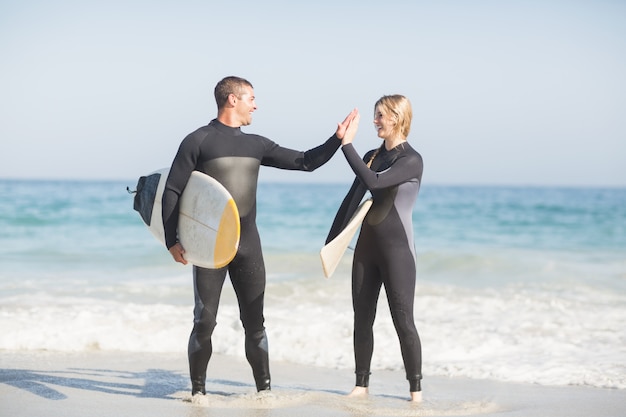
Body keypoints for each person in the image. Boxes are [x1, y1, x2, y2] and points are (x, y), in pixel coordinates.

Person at [162, 76, 357, 397]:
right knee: (204, 322)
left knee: (255, 325)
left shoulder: (257, 144)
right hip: (211, 246)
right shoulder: (198, 141)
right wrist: (172, 240)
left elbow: (306, 162)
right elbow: (172, 190)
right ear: (232, 100)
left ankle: (264, 394)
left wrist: (337, 139)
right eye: (251, 98)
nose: (256, 104)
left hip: (249, 246)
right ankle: (198, 394)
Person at [325, 95, 424, 402]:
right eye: (375, 115)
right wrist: (330, 243)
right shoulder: (371, 155)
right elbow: (353, 198)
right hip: (366, 249)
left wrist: (346, 146)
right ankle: (361, 385)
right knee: (362, 316)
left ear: (396, 117)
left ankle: (415, 391)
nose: (375, 121)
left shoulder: (411, 160)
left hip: (398, 253)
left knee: (403, 320)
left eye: (380, 115)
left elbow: (375, 182)